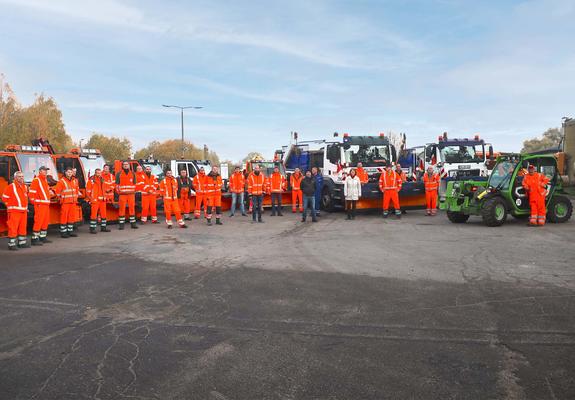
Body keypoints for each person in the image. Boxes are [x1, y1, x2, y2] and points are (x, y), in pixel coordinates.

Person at [2, 171, 29, 250]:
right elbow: (4, 198)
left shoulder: (24, 187)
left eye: (22, 176)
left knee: (22, 227)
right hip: (14, 211)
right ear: (15, 178)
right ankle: (12, 244)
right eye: (19, 176)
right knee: (13, 227)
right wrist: (10, 206)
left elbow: (25, 198)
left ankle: (22, 243)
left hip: (23, 211)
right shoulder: (11, 186)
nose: (21, 178)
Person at [28, 166, 54, 245]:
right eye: (44, 170)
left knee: (45, 221)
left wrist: (52, 193)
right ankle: (34, 239)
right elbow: (31, 193)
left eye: (46, 170)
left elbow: (46, 192)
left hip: (45, 204)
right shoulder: (36, 180)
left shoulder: (44, 180)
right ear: (40, 171)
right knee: (38, 221)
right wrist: (35, 203)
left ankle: (42, 237)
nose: (46, 172)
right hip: (40, 205)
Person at [54, 167, 80, 237]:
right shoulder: (61, 181)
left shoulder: (74, 180)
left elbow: (77, 190)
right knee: (64, 217)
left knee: (71, 217)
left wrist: (76, 197)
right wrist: (61, 199)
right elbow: (57, 192)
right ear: (65, 172)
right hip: (65, 202)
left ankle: (70, 231)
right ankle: (63, 232)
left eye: (71, 172)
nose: (70, 173)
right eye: (68, 172)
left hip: (73, 202)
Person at [86, 168, 112, 233]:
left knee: (104, 215)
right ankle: (92, 229)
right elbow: (88, 191)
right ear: (95, 173)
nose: (99, 174)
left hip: (102, 200)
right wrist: (91, 199)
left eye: (100, 173)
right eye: (97, 173)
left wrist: (106, 197)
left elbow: (105, 189)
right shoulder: (91, 181)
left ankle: (103, 228)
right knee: (93, 215)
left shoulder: (103, 180)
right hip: (95, 200)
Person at [115, 161, 138, 230]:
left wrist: (134, 192)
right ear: (122, 166)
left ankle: (133, 224)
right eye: (124, 164)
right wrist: (119, 192)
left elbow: (135, 184)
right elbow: (116, 185)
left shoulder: (133, 173)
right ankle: (121, 225)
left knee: (132, 209)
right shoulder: (119, 174)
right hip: (122, 195)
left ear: (129, 165)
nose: (125, 165)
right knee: (122, 209)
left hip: (131, 194)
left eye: (127, 164)